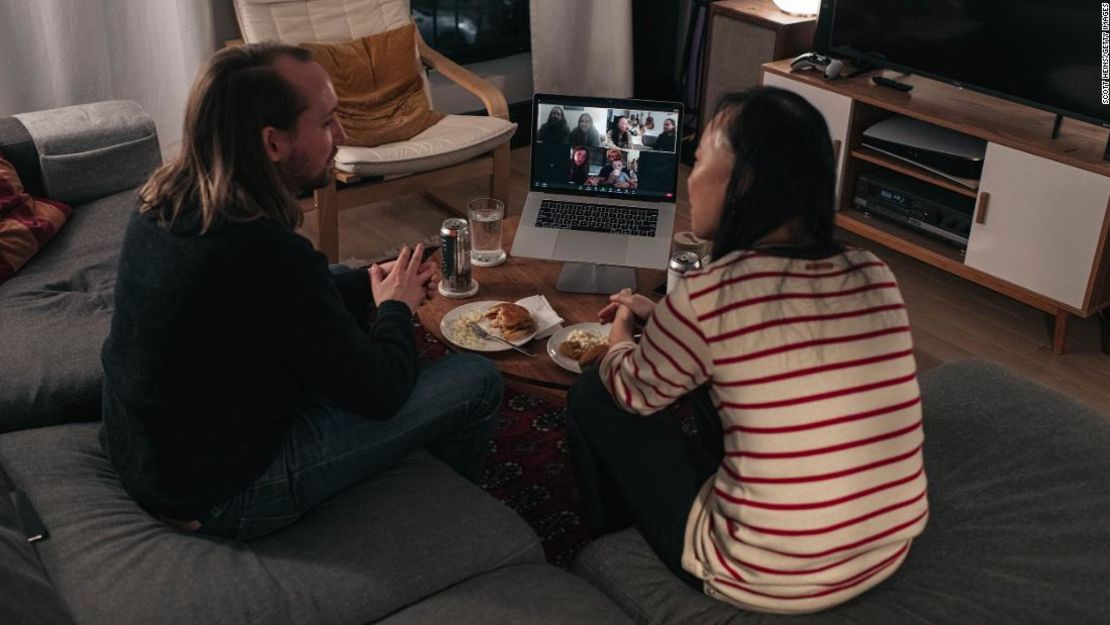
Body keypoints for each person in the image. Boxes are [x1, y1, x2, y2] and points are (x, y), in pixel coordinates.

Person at [99, 42, 504, 541]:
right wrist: (395, 308)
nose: (343, 134)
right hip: (223, 495)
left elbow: (293, 296)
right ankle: (438, 515)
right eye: (327, 121)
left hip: (148, 452)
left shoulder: (164, 195)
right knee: (475, 378)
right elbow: (378, 392)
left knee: (335, 277)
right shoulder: (265, 253)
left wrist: (373, 281)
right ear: (272, 142)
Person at [566, 87, 927, 614]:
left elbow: (631, 392)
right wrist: (666, 318)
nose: (689, 175)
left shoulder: (712, 294)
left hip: (765, 577)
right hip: (886, 547)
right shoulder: (873, 271)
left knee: (594, 393)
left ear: (746, 182)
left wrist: (623, 323)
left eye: (702, 159)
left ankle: (615, 542)